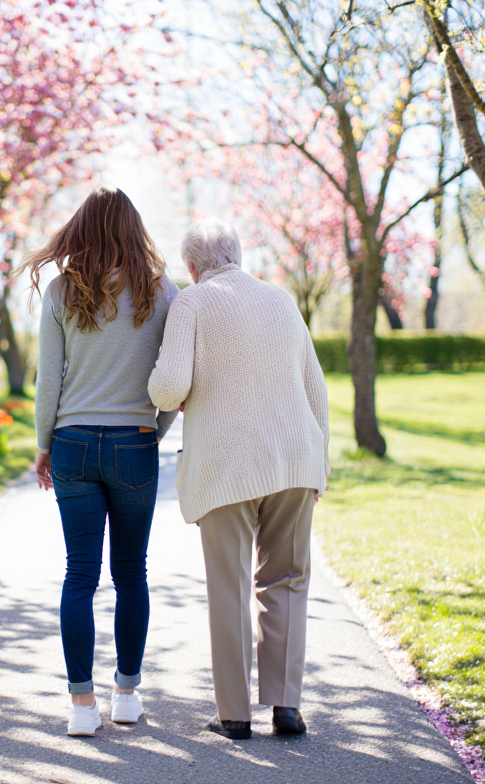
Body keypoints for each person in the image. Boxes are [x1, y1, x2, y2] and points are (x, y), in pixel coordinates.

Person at [148, 217, 329, 740]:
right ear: (239, 256)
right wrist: (320, 463)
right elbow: (314, 386)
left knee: (228, 588)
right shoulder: (281, 299)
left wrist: (177, 389)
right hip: (296, 459)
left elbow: (167, 389)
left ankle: (234, 716)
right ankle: (287, 707)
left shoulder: (191, 302)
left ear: (192, 266)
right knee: (288, 582)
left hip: (227, 465)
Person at [18, 187, 179, 737]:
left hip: (74, 443)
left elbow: (49, 381)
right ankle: (127, 694)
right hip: (135, 440)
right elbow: (176, 381)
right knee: (131, 573)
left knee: (79, 576)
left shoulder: (63, 291)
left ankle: (82, 707)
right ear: (134, 228)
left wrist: (44, 444)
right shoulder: (164, 293)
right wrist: (153, 432)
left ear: (80, 229)